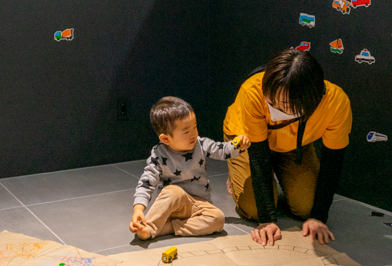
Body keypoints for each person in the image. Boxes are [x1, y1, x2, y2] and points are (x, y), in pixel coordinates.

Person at [224, 49, 352, 246]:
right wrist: (267, 220)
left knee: (307, 208)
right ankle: (237, 176)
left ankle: (280, 174)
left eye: (283, 104)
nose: (273, 107)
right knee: (253, 209)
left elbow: (332, 161)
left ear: (308, 101)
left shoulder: (336, 103)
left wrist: (318, 217)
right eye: (270, 100)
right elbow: (258, 157)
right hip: (248, 140)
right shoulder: (253, 91)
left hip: (293, 145)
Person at [131, 96, 250, 240]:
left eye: (195, 127)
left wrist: (238, 145)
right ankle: (149, 227)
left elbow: (222, 150)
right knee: (172, 191)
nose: (194, 134)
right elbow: (146, 182)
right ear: (166, 139)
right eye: (186, 131)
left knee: (218, 219)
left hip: (199, 204)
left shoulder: (200, 144)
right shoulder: (159, 154)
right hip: (173, 205)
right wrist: (138, 208)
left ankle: (167, 228)